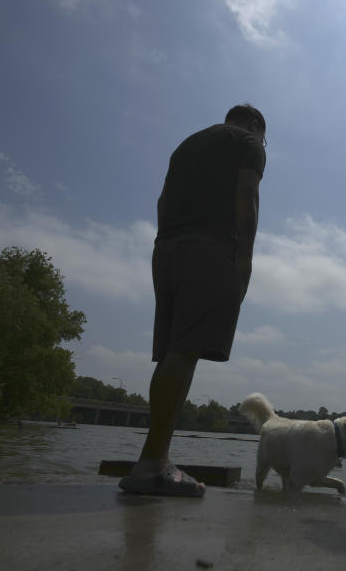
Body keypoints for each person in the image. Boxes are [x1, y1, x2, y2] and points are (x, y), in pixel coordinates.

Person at [119, 104, 267, 497]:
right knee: (184, 352)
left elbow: (161, 202)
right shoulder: (249, 141)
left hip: (166, 248)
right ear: (255, 125)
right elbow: (247, 195)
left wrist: (168, 240)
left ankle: (154, 457)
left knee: (171, 352)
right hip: (210, 249)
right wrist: (246, 256)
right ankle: (151, 464)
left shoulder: (188, 144)